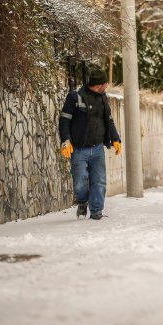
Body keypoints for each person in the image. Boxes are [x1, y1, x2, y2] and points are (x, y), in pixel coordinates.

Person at [58, 68, 121, 220]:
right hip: (79, 149)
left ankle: (96, 212)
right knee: (79, 182)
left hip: (98, 147)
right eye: (105, 84)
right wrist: (66, 140)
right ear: (99, 84)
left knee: (99, 181)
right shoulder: (75, 97)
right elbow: (64, 120)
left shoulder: (102, 97)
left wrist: (115, 138)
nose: (106, 86)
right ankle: (82, 201)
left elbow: (109, 120)